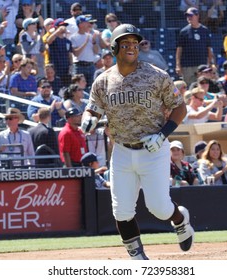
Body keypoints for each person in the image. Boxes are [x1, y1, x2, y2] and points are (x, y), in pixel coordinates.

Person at [80, 24, 194, 260]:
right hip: (121, 150)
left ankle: (180, 219)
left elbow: (180, 108)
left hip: (153, 148)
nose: (132, 47)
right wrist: (87, 120)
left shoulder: (156, 74)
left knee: (160, 208)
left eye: (135, 43)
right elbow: (92, 110)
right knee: (121, 211)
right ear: (114, 48)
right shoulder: (102, 81)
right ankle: (138, 260)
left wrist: (162, 134)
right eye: (126, 43)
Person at [176, 7, 213, 86]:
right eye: (187, 16)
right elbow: (179, 50)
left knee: (203, 85)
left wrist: (211, 63)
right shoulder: (183, 32)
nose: (189, 18)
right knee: (189, 86)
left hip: (202, 65)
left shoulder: (204, 30)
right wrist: (178, 65)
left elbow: (209, 48)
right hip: (187, 66)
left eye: (191, 15)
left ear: (197, 16)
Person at [71, 15, 100, 88]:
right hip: (79, 66)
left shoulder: (90, 36)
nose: (88, 24)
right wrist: (85, 42)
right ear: (80, 24)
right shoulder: (73, 37)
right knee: (78, 87)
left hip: (90, 65)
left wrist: (93, 42)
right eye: (85, 22)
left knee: (92, 88)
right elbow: (76, 53)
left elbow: (96, 51)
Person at [46, 18, 73, 87]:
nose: (63, 28)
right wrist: (57, 31)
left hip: (65, 68)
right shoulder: (54, 39)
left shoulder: (67, 41)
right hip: (55, 68)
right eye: (61, 25)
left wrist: (71, 65)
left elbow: (69, 54)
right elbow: (48, 41)